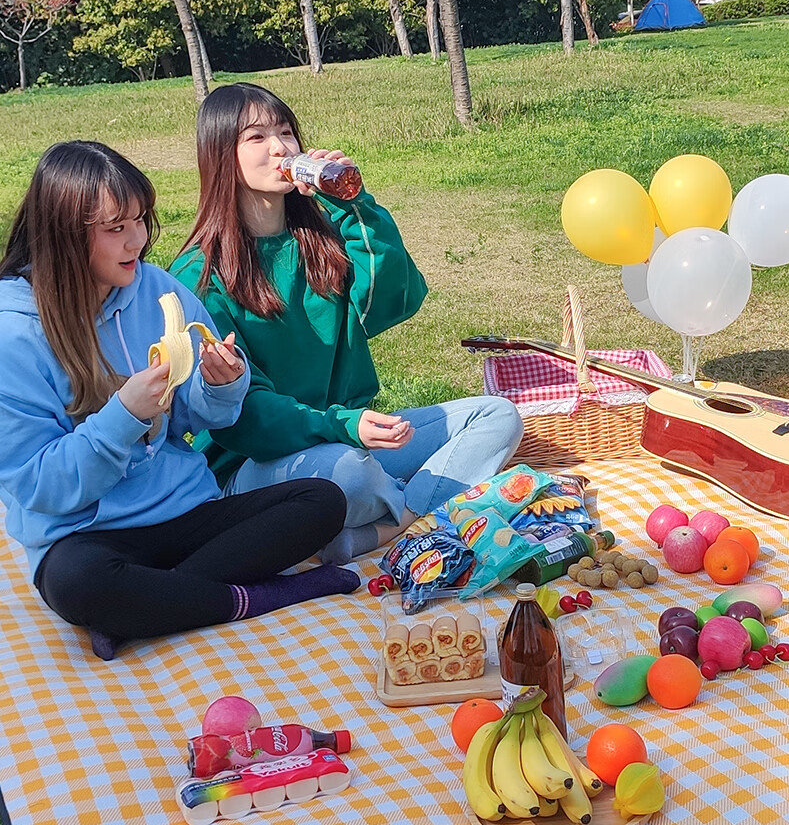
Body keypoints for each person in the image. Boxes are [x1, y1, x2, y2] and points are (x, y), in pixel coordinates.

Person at [0, 141, 357, 661]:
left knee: (322, 501)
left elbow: (198, 416)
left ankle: (149, 606)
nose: (137, 241)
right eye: (115, 228)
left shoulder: (155, 288)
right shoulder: (13, 338)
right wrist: (123, 415)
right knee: (79, 583)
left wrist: (220, 385)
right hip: (87, 534)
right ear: (63, 237)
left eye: (140, 221)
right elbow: (38, 486)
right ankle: (255, 596)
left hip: (186, 512)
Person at [171, 83, 524, 565]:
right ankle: (416, 507)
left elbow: (395, 297)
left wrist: (354, 204)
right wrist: (344, 425)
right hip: (257, 468)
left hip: (350, 438)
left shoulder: (318, 241)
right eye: (256, 137)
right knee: (350, 475)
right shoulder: (197, 277)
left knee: (497, 416)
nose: (280, 147)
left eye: (286, 132)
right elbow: (245, 417)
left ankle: (387, 526)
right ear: (220, 156)